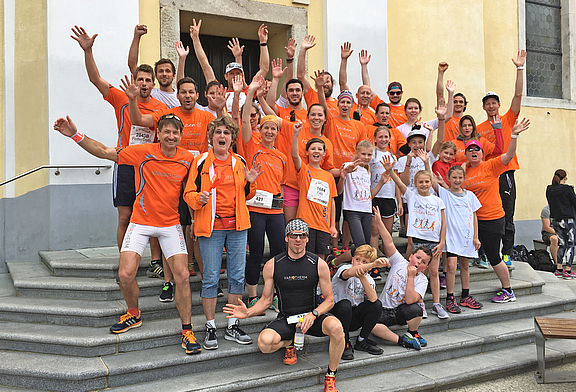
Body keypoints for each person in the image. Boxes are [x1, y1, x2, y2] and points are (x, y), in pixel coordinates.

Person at [53, 114, 201, 355]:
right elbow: (104, 151)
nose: (171, 136)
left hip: (169, 224)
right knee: (125, 273)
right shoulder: (141, 151)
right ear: (159, 134)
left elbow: (192, 190)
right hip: (140, 222)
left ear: (181, 136)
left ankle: (187, 329)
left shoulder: (187, 159)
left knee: (183, 275)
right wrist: (75, 135)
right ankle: (133, 313)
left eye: (175, 132)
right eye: (166, 132)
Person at [70, 25, 165, 277]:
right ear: (134, 81)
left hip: (148, 166)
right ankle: (126, 261)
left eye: (147, 80)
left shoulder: (158, 107)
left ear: (152, 84)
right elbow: (95, 79)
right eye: (140, 79)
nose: (143, 83)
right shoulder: (120, 97)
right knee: (124, 217)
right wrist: (88, 52)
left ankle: (156, 261)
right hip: (124, 163)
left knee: (151, 215)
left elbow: (145, 124)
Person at [223, 219, 345, 392]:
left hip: (311, 317)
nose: (298, 239)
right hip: (287, 319)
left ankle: (331, 375)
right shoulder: (273, 265)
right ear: (286, 238)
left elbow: (330, 300)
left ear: (307, 239)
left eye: (302, 236)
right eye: (293, 235)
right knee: (264, 344)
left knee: (337, 328)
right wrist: (248, 313)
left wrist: (314, 314)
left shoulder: (319, 264)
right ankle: (290, 343)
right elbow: (266, 300)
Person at [183, 116, 262, 350]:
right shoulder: (200, 162)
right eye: (218, 132)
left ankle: (232, 325)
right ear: (211, 136)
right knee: (210, 279)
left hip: (237, 228)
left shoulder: (239, 161)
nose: (222, 136)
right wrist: (200, 198)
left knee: (237, 277)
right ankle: (210, 326)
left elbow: (248, 195)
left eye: (227, 133)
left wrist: (250, 182)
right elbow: (188, 194)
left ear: (232, 138)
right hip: (212, 227)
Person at [462, 117, 530, 303]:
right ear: (466, 154)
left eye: (477, 149)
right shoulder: (464, 171)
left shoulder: (490, 166)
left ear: (483, 153)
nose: (474, 151)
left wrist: (513, 135)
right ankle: (465, 294)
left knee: (493, 256)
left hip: (492, 219)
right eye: (470, 149)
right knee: (466, 258)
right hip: (472, 221)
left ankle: (508, 290)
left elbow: (508, 155)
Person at [476, 50, 527, 263]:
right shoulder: (479, 129)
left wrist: (519, 68)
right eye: (487, 103)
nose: (491, 105)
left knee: (507, 212)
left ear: (498, 104)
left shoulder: (508, 118)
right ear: (484, 107)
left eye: (494, 102)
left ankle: (506, 252)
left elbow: (517, 95)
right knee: (486, 213)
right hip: (487, 175)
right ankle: (487, 252)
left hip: (505, 172)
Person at [241, 75, 287, 307]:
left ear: (277, 132)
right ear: (260, 129)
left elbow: (281, 183)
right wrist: (251, 93)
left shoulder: (281, 156)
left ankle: (277, 294)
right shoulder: (252, 145)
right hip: (255, 209)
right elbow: (244, 121)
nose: (269, 131)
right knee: (256, 252)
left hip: (275, 211)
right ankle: (251, 294)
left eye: (273, 129)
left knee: (280, 252)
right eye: (266, 128)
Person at [383, 154, 447, 319]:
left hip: (433, 241)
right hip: (418, 239)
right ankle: (420, 303)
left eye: (427, 182)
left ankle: (436, 304)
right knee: (418, 272)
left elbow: (443, 222)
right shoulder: (411, 195)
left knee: (433, 272)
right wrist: (390, 171)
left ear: (431, 183)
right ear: (416, 184)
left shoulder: (438, 200)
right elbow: (400, 183)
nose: (424, 184)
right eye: (421, 182)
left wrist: (442, 242)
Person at [371, 206, 430, 350]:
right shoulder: (399, 262)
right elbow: (388, 241)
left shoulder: (422, 279)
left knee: (416, 309)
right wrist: (379, 222)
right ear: (411, 256)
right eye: (417, 258)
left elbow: (410, 300)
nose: (418, 263)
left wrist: (411, 277)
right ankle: (401, 340)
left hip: (400, 311)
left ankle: (412, 332)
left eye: (423, 262)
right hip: (384, 309)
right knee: (371, 325)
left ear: (426, 267)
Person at [189, 19, 269, 113]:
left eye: (238, 73)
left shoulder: (249, 91)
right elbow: (205, 64)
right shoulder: (219, 91)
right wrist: (195, 38)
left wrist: (263, 42)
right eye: (232, 73)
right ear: (226, 76)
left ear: (242, 76)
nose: (235, 76)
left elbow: (264, 68)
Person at [435, 166, 483, 313]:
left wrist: (476, 237)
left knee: (465, 266)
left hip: (467, 238)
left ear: (464, 178)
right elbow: (431, 181)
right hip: (451, 237)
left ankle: (465, 295)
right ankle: (450, 298)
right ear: (448, 179)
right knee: (450, 266)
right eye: (454, 177)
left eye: (460, 177)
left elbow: (474, 217)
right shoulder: (444, 194)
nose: (457, 180)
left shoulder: (470, 196)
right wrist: (425, 161)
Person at [291, 122, 338, 259]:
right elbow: (294, 156)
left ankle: (319, 281)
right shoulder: (304, 169)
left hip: (323, 225)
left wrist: (332, 225)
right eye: (313, 149)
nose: (316, 151)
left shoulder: (329, 176)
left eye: (319, 149)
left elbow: (332, 202)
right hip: (306, 223)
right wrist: (296, 135)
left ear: (324, 153)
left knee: (321, 259)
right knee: (305, 258)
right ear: (307, 152)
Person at [331, 244, 386, 359]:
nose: (360, 263)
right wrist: (371, 265)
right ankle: (344, 343)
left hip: (353, 316)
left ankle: (362, 340)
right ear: (352, 260)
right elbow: (348, 274)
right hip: (337, 314)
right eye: (357, 260)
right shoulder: (344, 268)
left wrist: (362, 277)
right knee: (345, 305)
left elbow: (373, 299)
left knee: (376, 305)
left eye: (365, 262)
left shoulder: (369, 280)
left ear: (369, 267)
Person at [128, 24, 180, 108]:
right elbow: (132, 65)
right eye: (160, 71)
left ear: (174, 75)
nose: (164, 74)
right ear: (155, 75)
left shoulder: (180, 96)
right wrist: (137, 36)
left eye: (167, 71)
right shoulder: (151, 92)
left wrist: (182, 58)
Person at [370, 126, 402, 246]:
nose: (383, 139)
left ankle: (388, 259)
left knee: (387, 233)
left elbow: (396, 181)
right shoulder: (371, 155)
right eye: (380, 137)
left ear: (389, 139)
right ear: (375, 138)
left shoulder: (393, 157)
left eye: (386, 137)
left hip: (389, 197)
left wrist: (399, 201)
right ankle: (374, 258)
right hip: (375, 196)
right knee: (374, 231)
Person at [546, 169, 576, 279]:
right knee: (570, 244)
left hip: (555, 220)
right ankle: (568, 270)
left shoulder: (549, 189)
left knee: (562, 244)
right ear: (564, 178)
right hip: (568, 220)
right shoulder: (568, 189)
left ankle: (559, 269)